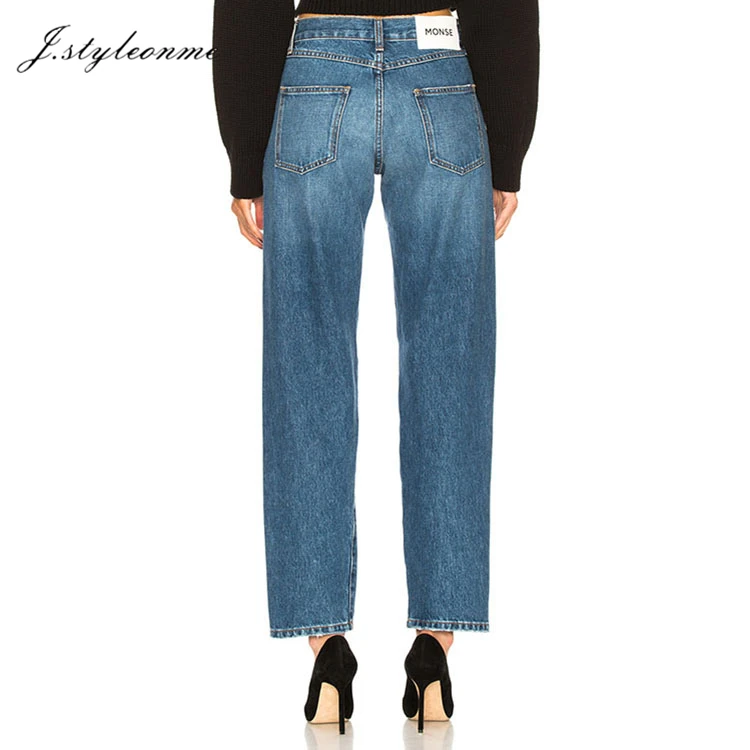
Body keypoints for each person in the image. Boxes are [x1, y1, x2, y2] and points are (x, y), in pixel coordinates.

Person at [211, 0, 539, 734]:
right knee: (452, 373)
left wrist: (244, 155)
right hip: (441, 76)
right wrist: (508, 148)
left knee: (306, 369)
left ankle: (326, 651)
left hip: (314, 78)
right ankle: (435, 649)